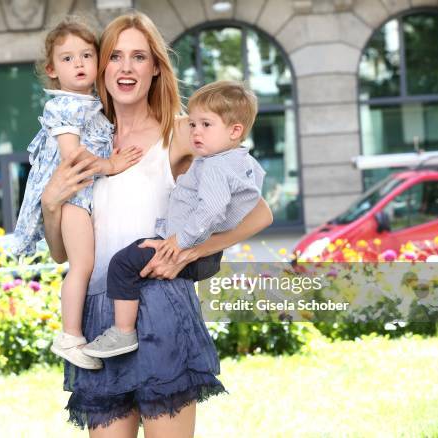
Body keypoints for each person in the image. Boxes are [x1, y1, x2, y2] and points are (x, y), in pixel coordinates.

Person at [41, 12, 274, 437]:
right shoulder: (81, 143)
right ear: (100, 67)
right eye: (115, 56)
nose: (126, 67)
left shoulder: (184, 132)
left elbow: (260, 212)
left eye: (139, 57)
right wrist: (50, 203)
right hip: (98, 313)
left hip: (161, 306)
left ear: (154, 68)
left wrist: (192, 250)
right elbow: (62, 253)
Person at [82, 80, 266, 358]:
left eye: (205, 125)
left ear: (235, 131)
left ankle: (123, 331)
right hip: (196, 249)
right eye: (192, 124)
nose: (195, 132)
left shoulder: (215, 165)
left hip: (185, 247)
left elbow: (215, 210)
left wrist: (183, 242)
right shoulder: (241, 162)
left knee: (122, 263)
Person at [12, 16, 142, 370]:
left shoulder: (92, 103)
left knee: (85, 263)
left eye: (87, 55)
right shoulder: (64, 105)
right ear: (52, 70)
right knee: (80, 265)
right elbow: (72, 156)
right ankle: (70, 335)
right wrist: (110, 166)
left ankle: (74, 333)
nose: (79, 63)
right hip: (73, 199)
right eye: (67, 59)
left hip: (83, 198)